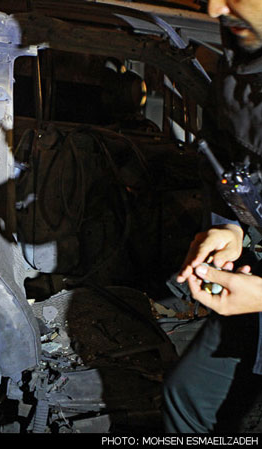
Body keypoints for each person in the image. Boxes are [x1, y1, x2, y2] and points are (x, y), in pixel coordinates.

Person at [162, 0, 262, 432]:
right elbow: (225, 153)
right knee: (187, 399)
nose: (214, 6)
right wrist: (230, 227)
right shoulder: (243, 59)